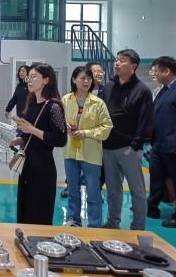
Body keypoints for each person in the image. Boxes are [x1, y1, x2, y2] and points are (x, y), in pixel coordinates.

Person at [101, 49, 154, 230]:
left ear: (133, 66)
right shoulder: (109, 86)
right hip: (108, 145)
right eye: (117, 59)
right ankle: (112, 222)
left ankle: (137, 226)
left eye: (122, 60)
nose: (117, 63)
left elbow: (146, 120)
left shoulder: (142, 90)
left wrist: (135, 145)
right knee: (112, 188)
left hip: (128, 147)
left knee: (136, 190)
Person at [10, 63, 67, 225]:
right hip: (27, 164)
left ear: (46, 80)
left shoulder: (54, 107)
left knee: (38, 212)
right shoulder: (32, 103)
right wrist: (19, 139)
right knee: (25, 209)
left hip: (43, 167)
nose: (29, 80)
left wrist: (32, 130)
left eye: (34, 77)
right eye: (29, 77)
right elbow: (30, 135)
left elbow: (60, 139)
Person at [62, 66, 113, 228]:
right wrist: (64, 125)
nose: (86, 81)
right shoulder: (66, 100)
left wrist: (86, 133)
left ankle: (94, 224)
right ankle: (74, 220)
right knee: (73, 189)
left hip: (91, 154)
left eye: (89, 78)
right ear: (74, 79)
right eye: (82, 78)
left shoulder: (98, 103)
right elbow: (58, 121)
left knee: (93, 191)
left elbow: (106, 127)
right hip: (71, 152)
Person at [147, 56, 176, 228]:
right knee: (156, 177)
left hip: (174, 147)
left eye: (156, 70)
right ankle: (152, 207)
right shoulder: (164, 90)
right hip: (159, 144)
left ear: (167, 71)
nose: (154, 73)